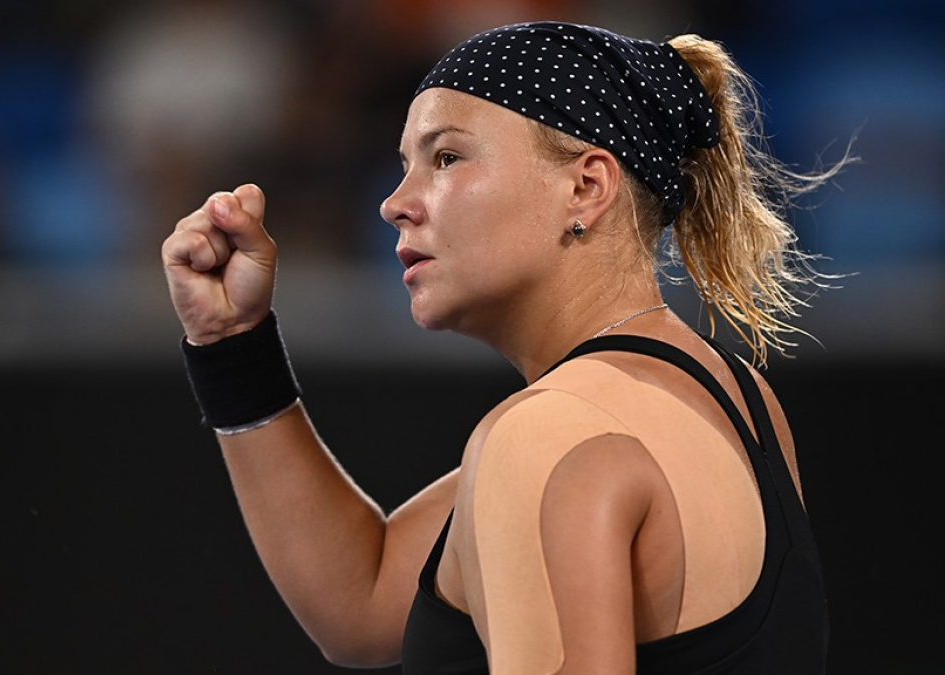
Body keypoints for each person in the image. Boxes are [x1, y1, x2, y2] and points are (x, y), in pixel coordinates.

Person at [162, 20, 847, 674]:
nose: (395, 203)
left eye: (446, 157)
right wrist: (233, 346)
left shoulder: (552, 434)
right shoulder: (736, 397)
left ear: (586, 187)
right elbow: (364, 604)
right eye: (405, 165)